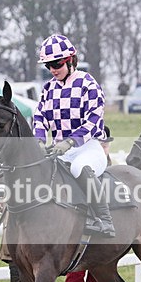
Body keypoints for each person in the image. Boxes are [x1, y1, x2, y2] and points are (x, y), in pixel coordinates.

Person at [33, 34, 114, 237]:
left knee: (79, 167)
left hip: (87, 148)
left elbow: (93, 120)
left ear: (70, 60)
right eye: (48, 66)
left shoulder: (88, 84)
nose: (52, 69)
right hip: (59, 150)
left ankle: (105, 220)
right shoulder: (48, 88)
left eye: (56, 64)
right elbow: (40, 116)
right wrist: (40, 141)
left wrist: (70, 142)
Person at [62, 126, 115, 282]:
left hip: (101, 233)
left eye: (105, 143)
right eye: (100, 143)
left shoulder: (110, 172)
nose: (103, 146)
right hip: (79, 229)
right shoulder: (78, 171)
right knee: (74, 274)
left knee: (102, 275)